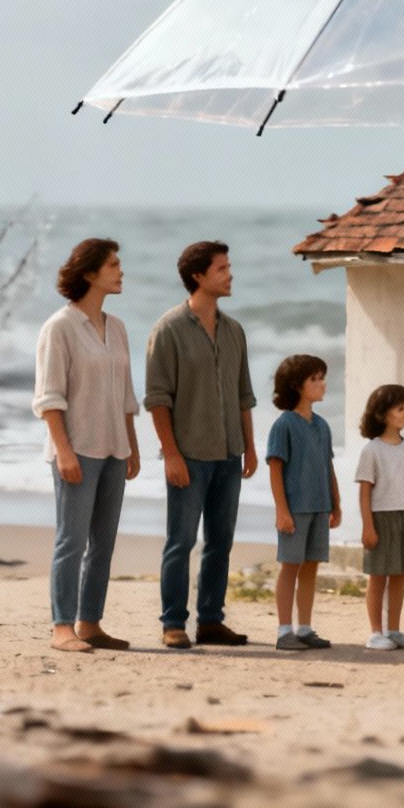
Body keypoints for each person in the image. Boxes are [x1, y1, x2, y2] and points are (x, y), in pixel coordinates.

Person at [145, 240, 258, 650]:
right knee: (181, 541)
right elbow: (158, 399)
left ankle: (211, 621)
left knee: (221, 542)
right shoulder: (168, 330)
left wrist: (249, 446)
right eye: (222, 269)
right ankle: (173, 623)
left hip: (230, 453)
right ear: (199, 276)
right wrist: (171, 454)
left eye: (229, 267)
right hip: (189, 455)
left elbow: (244, 394)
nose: (230, 275)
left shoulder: (234, 331)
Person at [32, 238, 141, 653]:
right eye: (113, 264)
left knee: (103, 543)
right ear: (90, 274)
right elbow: (48, 398)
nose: (120, 271)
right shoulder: (59, 327)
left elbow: (127, 395)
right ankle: (62, 627)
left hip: (114, 449)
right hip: (76, 449)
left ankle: (91, 622)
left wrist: (130, 445)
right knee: (71, 541)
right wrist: (63, 451)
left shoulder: (117, 328)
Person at [266, 353, 339, 651]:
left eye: (322, 377)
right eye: (315, 379)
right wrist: (282, 511)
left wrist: (336, 503)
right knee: (290, 566)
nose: (322, 384)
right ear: (297, 385)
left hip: (320, 506)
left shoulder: (322, 425)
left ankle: (305, 628)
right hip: (294, 509)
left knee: (311, 568)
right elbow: (275, 468)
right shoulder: (283, 425)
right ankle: (285, 631)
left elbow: (328, 465)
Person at [355, 383, 404, 651]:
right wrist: (367, 527)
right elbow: (364, 491)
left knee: (399, 575)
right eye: (400, 408)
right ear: (384, 414)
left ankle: (394, 630)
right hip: (381, 518)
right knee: (378, 576)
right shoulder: (371, 450)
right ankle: (375, 633)